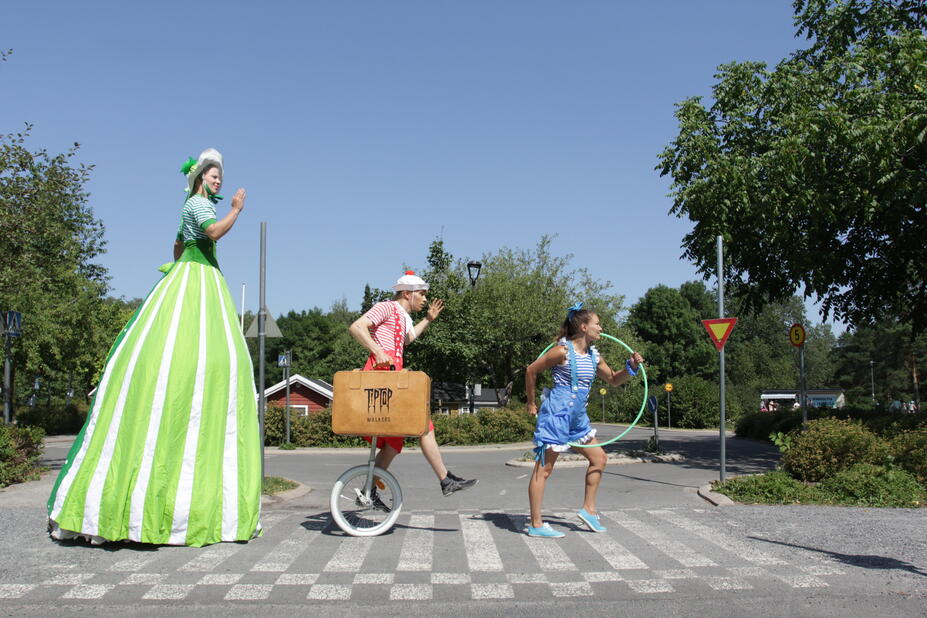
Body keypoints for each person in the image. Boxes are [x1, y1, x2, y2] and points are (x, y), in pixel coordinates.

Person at [47, 149, 262, 547]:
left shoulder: (191, 207)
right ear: (201, 179)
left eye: (220, 178)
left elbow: (178, 245)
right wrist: (235, 210)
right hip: (198, 279)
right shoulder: (199, 205)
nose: (219, 181)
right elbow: (212, 234)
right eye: (214, 176)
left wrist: (180, 263)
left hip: (196, 277)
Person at [348, 271, 477, 502]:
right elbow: (357, 327)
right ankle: (446, 480)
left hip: (393, 377)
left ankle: (369, 490)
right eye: (422, 294)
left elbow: (407, 339)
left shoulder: (403, 316)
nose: (425, 298)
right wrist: (377, 351)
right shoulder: (386, 307)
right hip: (380, 377)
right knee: (422, 424)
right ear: (407, 293)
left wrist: (428, 319)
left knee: (395, 444)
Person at [524, 303, 644, 538]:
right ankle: (536, 524)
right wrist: (531, 403)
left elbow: (612, 379)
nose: (601, 327)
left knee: (599, 459)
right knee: (544, 470)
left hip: (578, 420)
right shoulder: (561, 352)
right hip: (556, 416)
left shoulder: (594, 356)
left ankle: (589, 510)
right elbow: (531, 370)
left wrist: (631, 366)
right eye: (597, 324)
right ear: (583, 327)